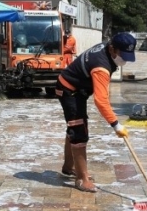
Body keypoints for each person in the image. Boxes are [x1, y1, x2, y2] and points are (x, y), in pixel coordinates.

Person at [55, 32, 136, 192]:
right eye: (122, 55)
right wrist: (116, 125)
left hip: (77, 89)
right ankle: (81, 179)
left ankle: (68, 167)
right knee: (79, 131)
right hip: (69, 90)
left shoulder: (107, 48)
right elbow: (101, 100)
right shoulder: (101, 66)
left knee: (74, 127)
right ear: (112, 49)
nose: (124, 60)